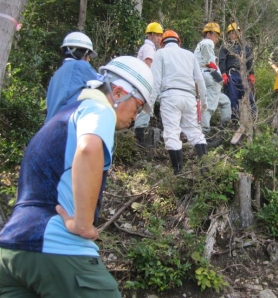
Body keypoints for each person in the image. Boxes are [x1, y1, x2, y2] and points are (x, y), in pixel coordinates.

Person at [0, 56, 154, 297]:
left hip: (11, 249)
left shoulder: (65, 114)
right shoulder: (99, 109)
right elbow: (89, 148)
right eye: (137, 105)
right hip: (56, 244)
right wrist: (83, 223)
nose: (135, 117)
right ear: (118, 92)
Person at [150, 30, 208, 175]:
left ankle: (178, 173)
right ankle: (207, 170)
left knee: (172, 134)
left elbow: (155, 81)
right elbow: (199, 79)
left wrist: (150, 103)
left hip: (170, 96)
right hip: (189, 97)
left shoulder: (160, 54)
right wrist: (203, 101)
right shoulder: (189, 55)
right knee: (196, 133)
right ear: (179, 42)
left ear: (162, 43)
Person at [45, 31, 99, 122]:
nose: (89, 59)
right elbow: (104, 84)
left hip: (49, 128)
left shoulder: (57, 74)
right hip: (64, 127)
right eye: (88, 55)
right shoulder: (79, 66)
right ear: (83, 53)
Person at [193, 22, 228, 136]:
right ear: (208, 34)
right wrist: (215, 71)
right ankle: (205, 132)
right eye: (215, 35)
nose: (216, 39)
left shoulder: (201, 45)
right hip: (208, 76)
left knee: (225, 101)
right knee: (208, 106)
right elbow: (207, 60)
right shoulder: (207, 42)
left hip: (205, 78)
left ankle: (225, 127)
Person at [219, 22, 256, 121]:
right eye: (232, 33)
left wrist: (251, 74)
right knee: (233, 97)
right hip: (231, 74)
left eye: (236, 32)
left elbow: (249, 61)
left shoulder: (245, 47)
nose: (234, 35)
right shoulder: (226, 46)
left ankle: (253, 117)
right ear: (229, 34)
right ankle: (234, 120)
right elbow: (222, 60)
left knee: (249, 96)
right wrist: (223, 73)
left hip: (242, 74)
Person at [134, 22, 164, 147]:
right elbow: (148, 64)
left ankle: (140, 135)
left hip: (143, 82)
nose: (159, 38)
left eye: (160, 35)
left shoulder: (150, 48)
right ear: (150, 35)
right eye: (157, 35)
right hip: (146, 83)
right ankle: (139, 138)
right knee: (146, 108)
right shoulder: (148, 48)